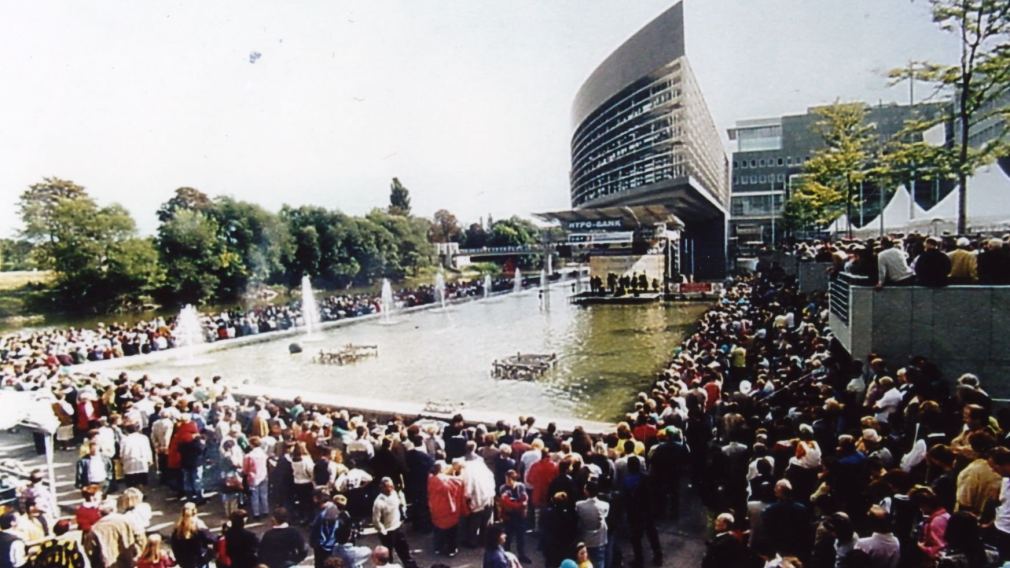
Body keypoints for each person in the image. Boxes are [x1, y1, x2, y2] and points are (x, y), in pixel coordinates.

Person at [371, 477, 417, 568]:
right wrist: (383, 531)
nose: (391, 488)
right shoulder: (378, 502)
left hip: (397, 527)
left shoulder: (394, 494)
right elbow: (376, 520)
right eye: (388, 487)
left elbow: (399, 505)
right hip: (387, 532)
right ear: (382, 487)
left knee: (404, 551)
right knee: (388, 556)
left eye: (392, 486)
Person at [427, 462, 465, 557]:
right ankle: (451, 550)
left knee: (438, 530)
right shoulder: (446, 481)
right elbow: (459, 481)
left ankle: (438, 548)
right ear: (442, 469)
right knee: (451, 532)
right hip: (448, 510)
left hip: (436, 509)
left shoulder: (431, 479)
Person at [497, 469, 530, 563]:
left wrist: (519, 504)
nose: (507, 482)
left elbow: (525, 499)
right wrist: (519, 504)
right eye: (506, 479)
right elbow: (507, 503)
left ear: (514, 479)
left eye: (509, 479)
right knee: (507, 537)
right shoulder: (503, 488)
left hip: (519, 516)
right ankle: (506, 556)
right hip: (509, 516)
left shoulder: (521, 486)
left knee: (521, 537)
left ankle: (522, 555)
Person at [169, 502, 216, 568]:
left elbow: (174, 546)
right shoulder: (198, 527)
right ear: (195, 512)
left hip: (184, 563)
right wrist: (205, 528)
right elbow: (212, 539)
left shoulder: (177, 529)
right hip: (199, 562)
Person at [575, 482, 609, 568]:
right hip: (599, 539)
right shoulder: (605, 505)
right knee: (599, 562)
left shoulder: (579, 505)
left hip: (586, 538)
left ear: (586, 491)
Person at [119, 422, 154, 488]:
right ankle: (141, 491)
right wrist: (150, 459)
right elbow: (148, 449)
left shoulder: (124, 439)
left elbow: (122, 452)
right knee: (141, 482)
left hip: (129, 463)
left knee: (131, 484)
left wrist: (121, 462)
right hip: (142, 462)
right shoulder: (144, 438)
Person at [243, 436, 270, 519]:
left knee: (255, 496)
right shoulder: (263, 454)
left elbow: (245, 469)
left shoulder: (249, 456)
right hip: (264, 475)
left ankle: (256, 513)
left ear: (251, 444)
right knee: (264, 494)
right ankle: (265, 511)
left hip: (254, 477)